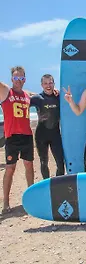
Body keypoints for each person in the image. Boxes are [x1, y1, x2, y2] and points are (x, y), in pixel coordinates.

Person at [0, 66, 34, 214]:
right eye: (16, 78)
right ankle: (6, 203)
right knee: (10, 168)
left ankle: (32, 199)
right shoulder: (6, 92)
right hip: (12, 137)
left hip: (27, 135)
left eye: (21, 78)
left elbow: (43, 95)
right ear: (11, 79)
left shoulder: (27, 95)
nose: (18, 81)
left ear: (24, 79)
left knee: (29, 166)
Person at [30, 74, 65, 179]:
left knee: (60, 162)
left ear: (54, 84)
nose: (48, 85)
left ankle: (59, 184)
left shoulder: (59, 97)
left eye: (50, 83)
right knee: (43, 161)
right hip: (41, 135)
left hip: (55, 134)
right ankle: (46, 184)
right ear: (41, 85)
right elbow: (23, 103)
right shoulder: (37, 98)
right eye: (45, 83)